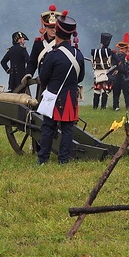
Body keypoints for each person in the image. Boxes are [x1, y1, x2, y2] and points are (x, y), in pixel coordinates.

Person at [37, 12, 85, 165]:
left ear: (57, 32)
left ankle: (42, 159)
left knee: (48, 128)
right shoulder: (78, 54)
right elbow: (81, 77)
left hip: (53, 96)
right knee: (67, 129)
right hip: (70, 96)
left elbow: (43, 79)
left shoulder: (53, 55)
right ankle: (63, 160)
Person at [22, 5, 63, 99]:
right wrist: (28, 74)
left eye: (55, 27)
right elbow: (32, 62)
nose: (53, 30)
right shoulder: (38, 43)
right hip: (42, 82)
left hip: (57, 82)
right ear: (45, 28)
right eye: (50, 27)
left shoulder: (62, 43)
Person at [90, 32, 116, 109]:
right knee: (104, 91)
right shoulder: (110, 52)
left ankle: (95, 107)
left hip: (97, 74)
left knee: (97, 91)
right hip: (106, 74)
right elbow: (117, 61)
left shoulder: (95, 52)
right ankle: (103, 107)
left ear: (101, 43)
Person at [111, 32, 129, 111]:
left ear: (126, 49)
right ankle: (115, 106)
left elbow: (127, 67)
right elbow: (113, 66)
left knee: (126, 93)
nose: (121, 50)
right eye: (120, 48)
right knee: (116, 93)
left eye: (123, 48)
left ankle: (128, 106)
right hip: (117, 77)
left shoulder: (128, 57)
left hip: (125, 76)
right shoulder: (116, 56)